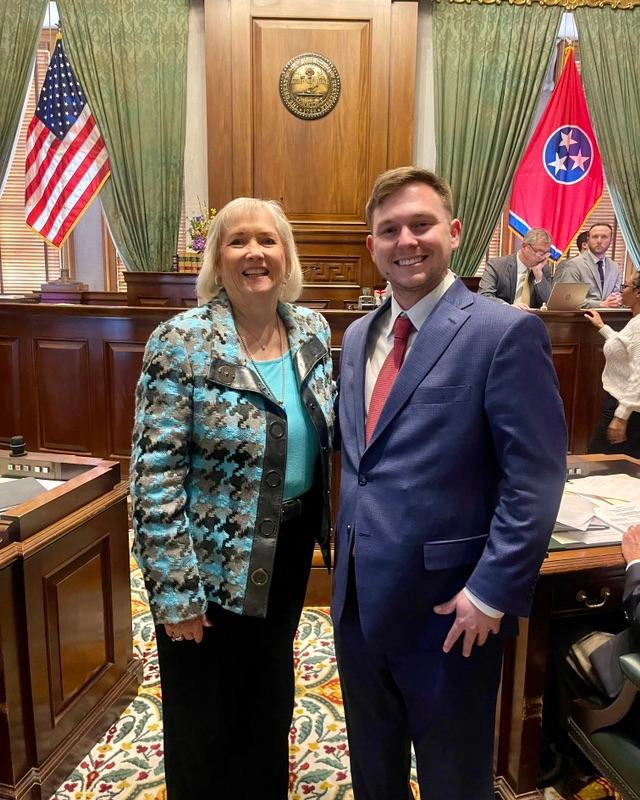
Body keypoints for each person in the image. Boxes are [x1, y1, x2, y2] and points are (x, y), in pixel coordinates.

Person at [332, 166, 567, 800]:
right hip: (357, 604)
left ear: (455, 232)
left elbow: (536, 478)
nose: (406, 240)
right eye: (388, 230)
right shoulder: (357, 337)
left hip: (452, 610)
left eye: (421, 224)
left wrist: (491, 592)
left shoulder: (503, 332)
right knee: (372, 772)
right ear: (372, 244)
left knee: (452, 778)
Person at [130, 197, 334, 800]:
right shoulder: (180, 342)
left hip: (291, 544)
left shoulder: (312, 331)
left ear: (287, 255)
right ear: (218, 260)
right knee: (204, 710)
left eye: (268, 240)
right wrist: (175, 592)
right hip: (209, 561)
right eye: (237, 240)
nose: (255, 253)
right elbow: (154, 473)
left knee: (269, 689)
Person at [584, 269, 640, 458]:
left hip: (628, 410)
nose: (621, 291)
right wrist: (603, 327)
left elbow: (638, 374)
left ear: (637, 292)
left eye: (625, 286)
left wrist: (620, 416)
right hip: (626, 407)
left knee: (597, 464)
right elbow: (625, 347)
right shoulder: (635, 322)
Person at [478, 227, 553, 310]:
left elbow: (549, 305)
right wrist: (508, 307)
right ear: (524, 246)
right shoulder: (497, 266)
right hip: (504, 318)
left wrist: (539, 276)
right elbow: (484, 296)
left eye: (546, 253)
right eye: (540, 252)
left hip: (532, 320)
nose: (543, 258)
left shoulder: (544, 270)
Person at [554, 222, 622, 308]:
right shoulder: (573, 265)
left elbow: (616, 296)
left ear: (611, 240)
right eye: (595, 237)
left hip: (608, 318)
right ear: (588, 239)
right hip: (580, 319)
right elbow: (568, 299)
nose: (599, 241)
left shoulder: (615, 267)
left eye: (604, 237)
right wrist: (600, 304)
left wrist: (616, 300)